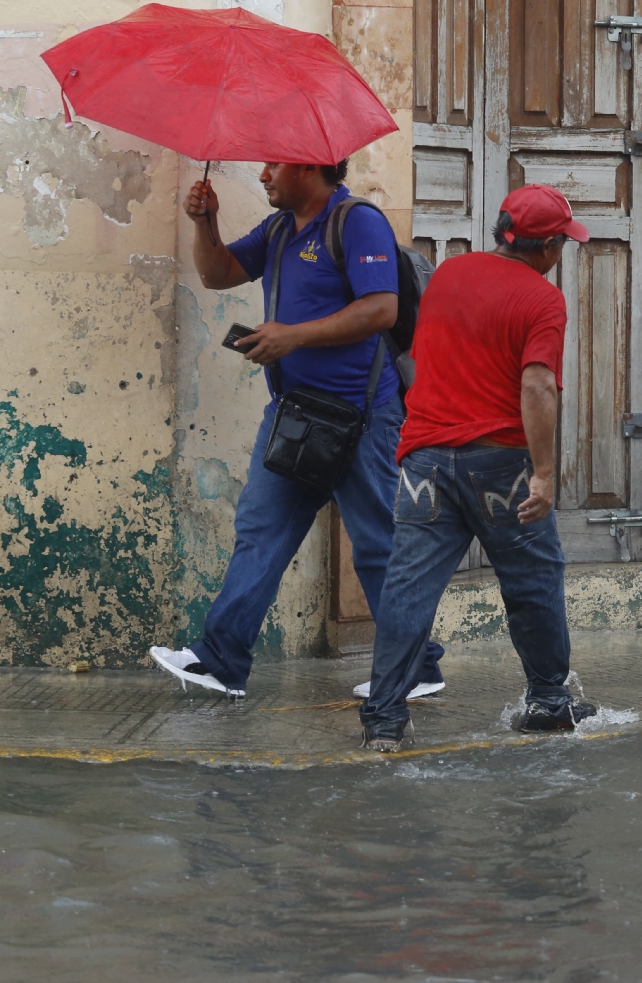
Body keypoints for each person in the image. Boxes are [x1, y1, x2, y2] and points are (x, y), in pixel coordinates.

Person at [149, 162, 445, 698]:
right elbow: (218, 274)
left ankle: (417, 667)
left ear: (309, 166)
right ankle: (222, 661)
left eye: (274, 164)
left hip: (361, 418)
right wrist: (205, 223)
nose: (263, 174)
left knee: (378, 543)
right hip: (295, 414)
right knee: (261, 531)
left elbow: (381, 309)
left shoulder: (358, 223)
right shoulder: (280, 227)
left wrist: (293, 337)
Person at [359, 184, 598, 749]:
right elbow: (537, 384)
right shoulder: (542, 300)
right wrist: (542, 474)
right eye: (562, 242)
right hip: (500, 465)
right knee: (533, 580)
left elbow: (421, 353)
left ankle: (385, 721)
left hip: (423, 460)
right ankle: (548, 700)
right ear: (548, 248)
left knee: (407, 588)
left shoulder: (450, 274)